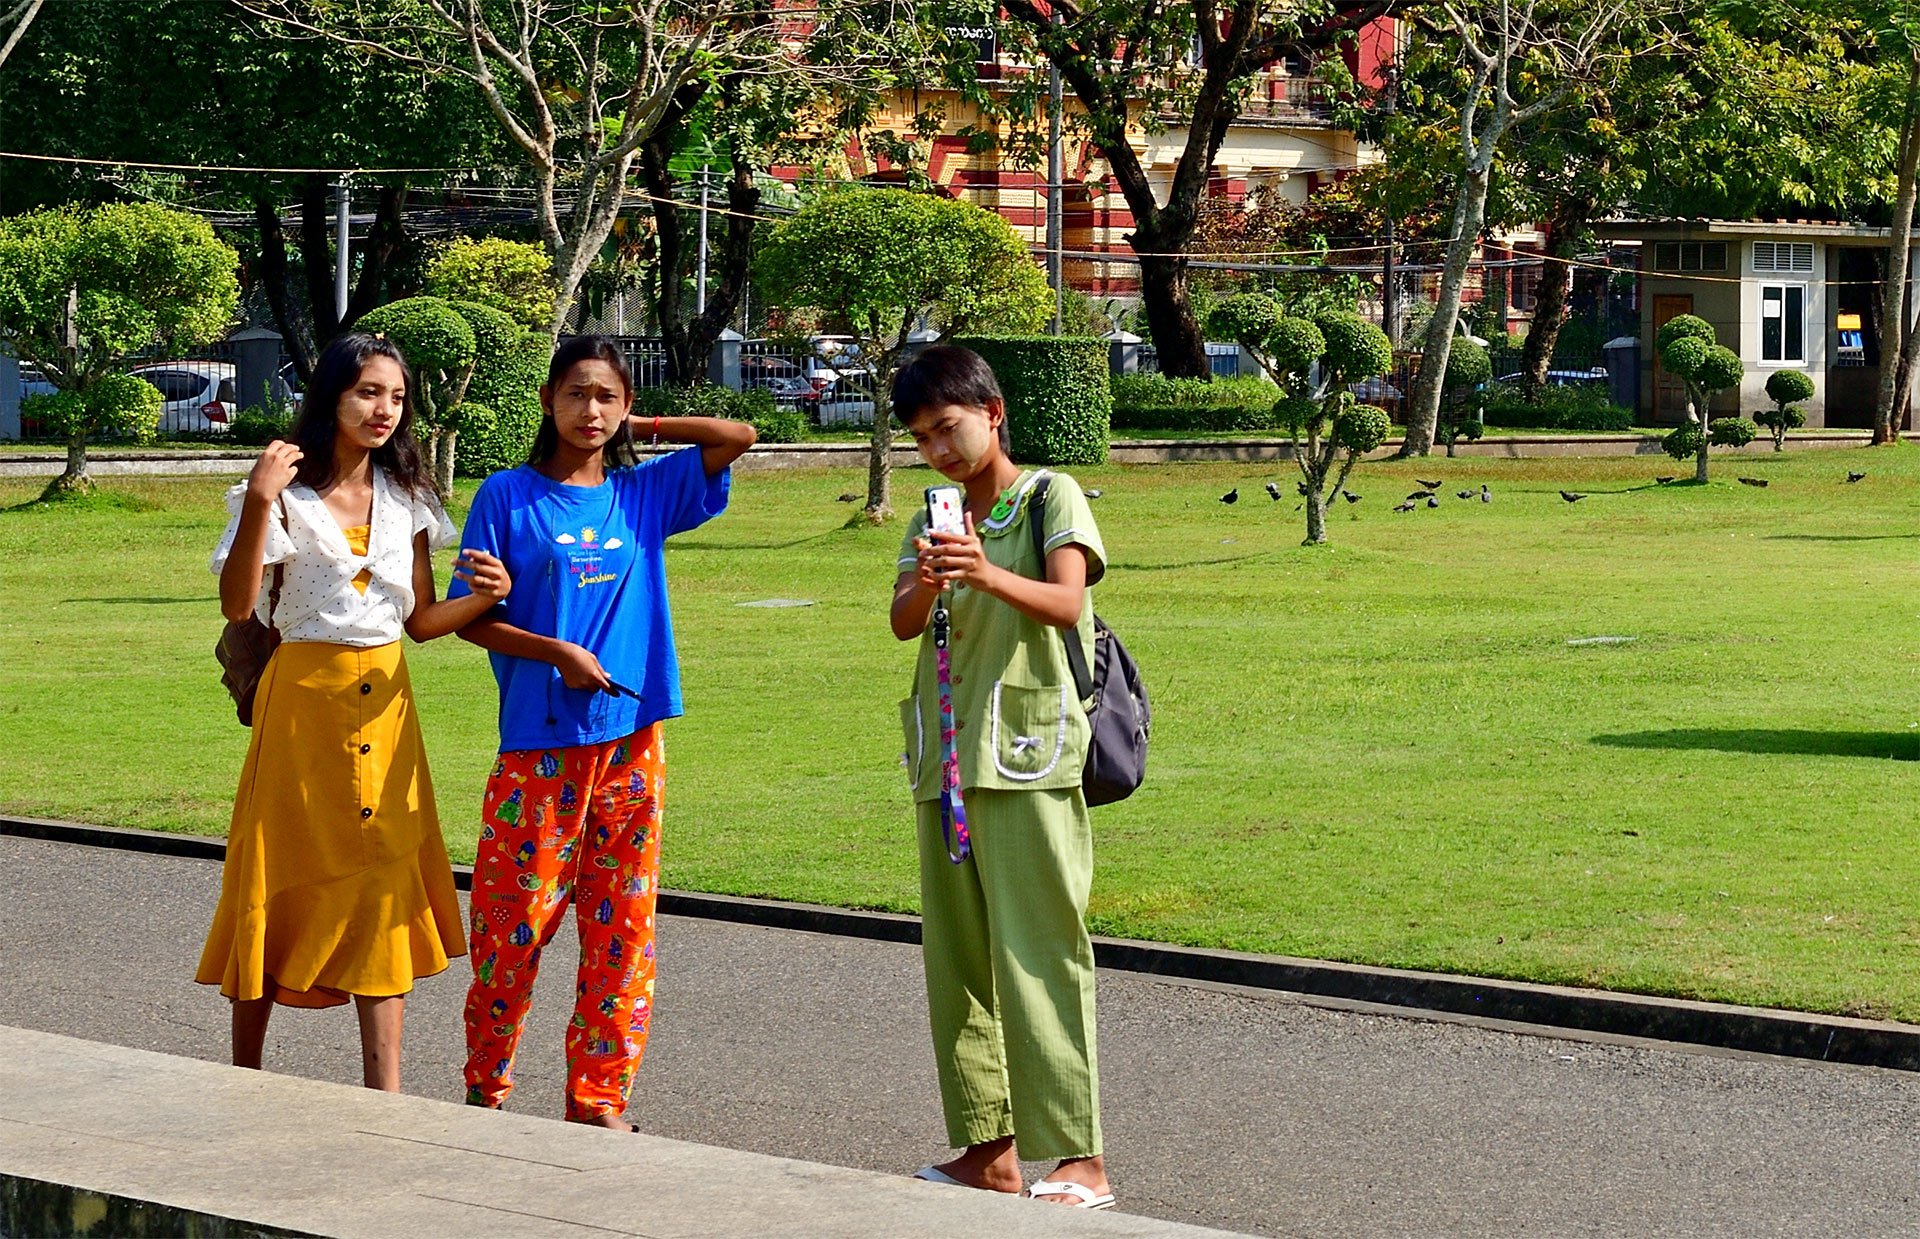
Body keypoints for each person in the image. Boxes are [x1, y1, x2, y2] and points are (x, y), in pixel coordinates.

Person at [451, 335, 755, 1128]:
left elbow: (736, 437)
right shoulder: (507, 497)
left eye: (607, 397)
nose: (591, 411)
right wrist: (555, 650)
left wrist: (640, 426)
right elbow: (466, 619)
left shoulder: (642, 494)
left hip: (630, 744)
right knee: (512, 930)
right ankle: (486, 1086)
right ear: (548, 400)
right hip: (539, 748)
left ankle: (600, 1100)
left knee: (622, 930)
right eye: (577, 394)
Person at [200, 332, 511, 1091]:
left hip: (389, 706)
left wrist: (488, 596)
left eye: (397, 397)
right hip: (303, 703)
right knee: (278, 871)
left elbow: (421, 620)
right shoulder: (278, 493)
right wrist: (263, 500)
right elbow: (239, 603)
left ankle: (388, 1092)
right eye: (369, 391)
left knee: (383, 878)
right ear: (332, 394)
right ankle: (246, 1073)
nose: (384, 409)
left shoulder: (409, 498)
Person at [888, 346, 1115, 1209]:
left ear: (993, 411)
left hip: (1028, 756)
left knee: (1041, 954)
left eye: (947, 427)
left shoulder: (1050, 496)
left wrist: (984, 569)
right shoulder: (931, 516)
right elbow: (904, 621)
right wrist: (934, 574)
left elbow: (1067, 602)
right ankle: (989, 1150)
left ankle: (1081, 1158)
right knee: (958, 962)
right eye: (922, 438)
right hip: (946, 763)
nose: (938, 450)